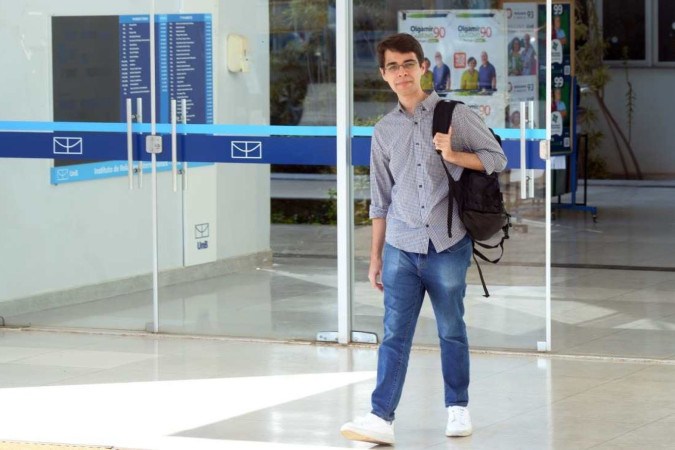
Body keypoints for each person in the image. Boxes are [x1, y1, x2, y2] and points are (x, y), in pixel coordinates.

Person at [340, 32, 507, 446]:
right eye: (393, 67)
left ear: (423, 67)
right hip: (400, 245)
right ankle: (381, 417)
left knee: (451, 328)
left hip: (447, 244)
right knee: (395, 333)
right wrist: (375, 256)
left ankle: (457, 408)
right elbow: (380, 199)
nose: (402, 73)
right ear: (384, 75)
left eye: (408, 64)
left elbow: (497, 159)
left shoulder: (455, 115)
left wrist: (455, 155)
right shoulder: (383, 130)